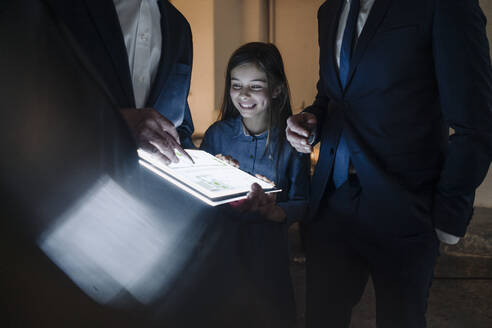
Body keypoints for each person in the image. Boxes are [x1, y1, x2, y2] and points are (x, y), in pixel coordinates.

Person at [285, 0, 492, 327]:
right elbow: (333, 95)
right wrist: (312, 119)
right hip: (330, 205)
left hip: (407, 208)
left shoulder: (445, 6)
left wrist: (448, 216)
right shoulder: (330, 10)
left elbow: (476, 124)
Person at [200, 42, 311, 327]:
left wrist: (278, 212)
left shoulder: (291, 142)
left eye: (255, 86)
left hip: (269, 258)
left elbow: (304, 201)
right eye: (236, 86)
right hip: (221, 256)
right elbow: (200, 200)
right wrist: (219, 175)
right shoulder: (217, 135)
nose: (243, 95)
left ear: (276, 90)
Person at [47, 0, 195, 164]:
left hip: (151, 185)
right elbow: (26, 99)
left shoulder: (181, 27)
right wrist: (115, 125)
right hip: (67, 172)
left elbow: (181, 126)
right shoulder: (59, 6)